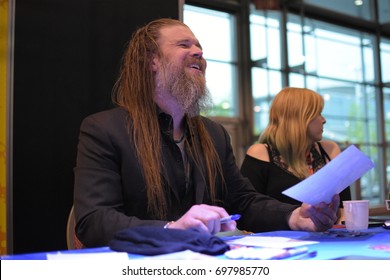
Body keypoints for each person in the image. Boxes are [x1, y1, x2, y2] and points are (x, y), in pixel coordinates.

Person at [73, 18, 339, 248]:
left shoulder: (214, 134)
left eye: (199, 46)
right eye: (184, 45)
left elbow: (243, 201)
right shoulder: (104, 130)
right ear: (151, 60)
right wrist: (171, 230)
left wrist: (294, 216)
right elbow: (94, 220)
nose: (198, 51)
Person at [240, 87, 351, 223]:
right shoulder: (261, 153)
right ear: (300, 118)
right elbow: (246, 212)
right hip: (280, 241)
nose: (323, 120)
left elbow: (345, 208)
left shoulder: (329, 150)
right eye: (318, 113)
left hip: (330, 238)